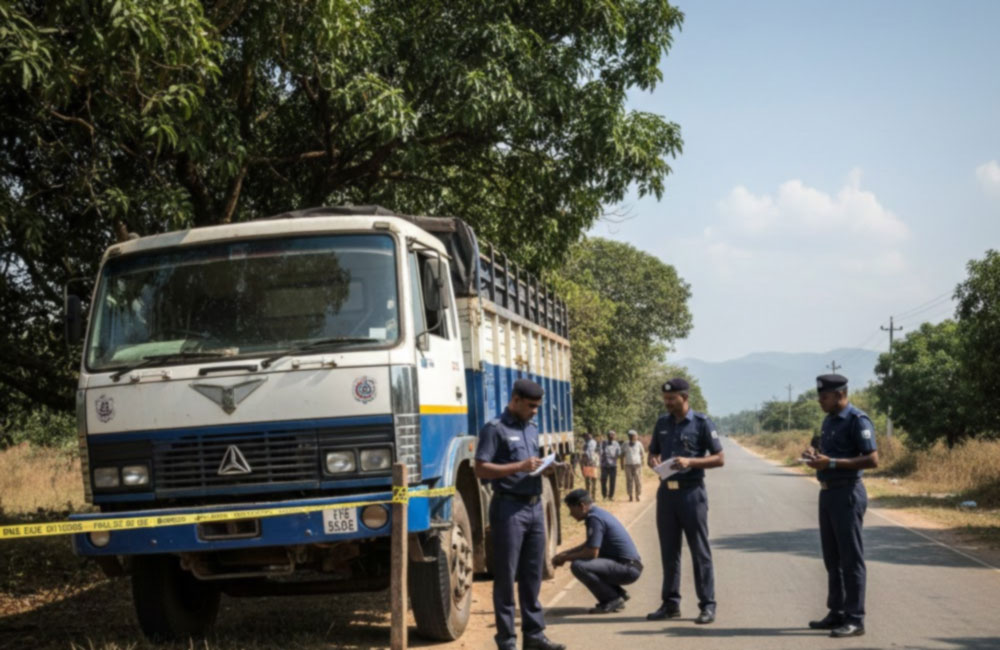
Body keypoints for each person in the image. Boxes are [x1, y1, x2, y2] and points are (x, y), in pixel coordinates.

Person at [474, 378, 566, 650]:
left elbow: (531, 464)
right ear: (514, 400)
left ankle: (534, 635)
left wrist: (545, 468)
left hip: (534, 507)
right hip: (508, 509)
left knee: (532, 575)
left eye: (538, 406)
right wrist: (519, 466)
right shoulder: (495, 429)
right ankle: (507, 641)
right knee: (506, 577)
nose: (535, 411)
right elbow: (481, 469)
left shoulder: (531, 428)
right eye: (531, 406)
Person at [803, 373, 878, 639]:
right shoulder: (829, 420)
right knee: (832, 558)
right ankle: (836, 611)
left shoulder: (858, 420)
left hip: (847, 493)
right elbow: (828, 453)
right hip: (827, 493)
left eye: (824, 396)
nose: (820, 401)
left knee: (851, 560)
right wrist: (814, 457)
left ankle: (855, 618)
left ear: (840, 394)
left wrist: (832, 463)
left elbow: (872, 459)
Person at [646, 378, 724, 625]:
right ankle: (670, 604)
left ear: (685, 397)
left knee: (699, 551)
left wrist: (691, 462)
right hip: (666, 494)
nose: (668, 403)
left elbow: (719, 458)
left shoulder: (701, 423)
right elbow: (653, 452)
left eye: (672, 399)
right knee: (669, 552)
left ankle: (707, 605)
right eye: (665, 399)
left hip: (692, 495)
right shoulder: (662, 422)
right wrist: (653, 461)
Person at [552, 489, 643, 614]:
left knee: (579, 566)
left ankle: (612, 599)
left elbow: (591, 552)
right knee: (584, 562)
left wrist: (565, 558)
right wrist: (565, 553)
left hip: (627, 568)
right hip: (628, 566)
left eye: (571, 509)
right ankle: (617, 593)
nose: (570, 514)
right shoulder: (598, 513)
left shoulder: (594, 518)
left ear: (582, 506)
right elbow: (589, 544)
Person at [623, 429, 645, 502]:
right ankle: (630, 495)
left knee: (638, 480)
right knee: (629, 481)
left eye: (634, 436)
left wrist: (642, 462)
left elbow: (642, 454)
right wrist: (621, 464)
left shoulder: (639, 444)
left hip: (637, 465)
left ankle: (637, 495)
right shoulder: (625, 444)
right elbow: (622, 454)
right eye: (630, 436)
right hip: (628, 465)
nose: (632, 437)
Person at [599, 430, 622, 501]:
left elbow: (619, 452)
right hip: (604, 465)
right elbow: (600, 452)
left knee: (612, 481)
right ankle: (604, 496)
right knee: (603, 481)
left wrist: (617, 455)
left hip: (613, 466)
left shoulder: (616, 444)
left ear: (614, 436)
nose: (611, 436)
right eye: (610, 435)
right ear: (607, 436)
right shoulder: (603, 443)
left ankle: (611, 496)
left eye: (613, 435)